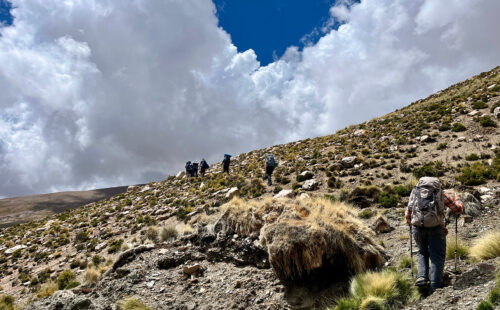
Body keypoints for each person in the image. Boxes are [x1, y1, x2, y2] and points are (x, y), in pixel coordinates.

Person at [405, 177, 463, 292]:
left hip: (418, 228)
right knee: (437, 256)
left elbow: (408, 211)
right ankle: (435, 288)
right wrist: (458, 199)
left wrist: (411, 225)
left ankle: (422, 276)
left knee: (422, 252)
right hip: (436, 229)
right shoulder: (441, 193)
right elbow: (457, 209)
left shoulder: (415, 192)